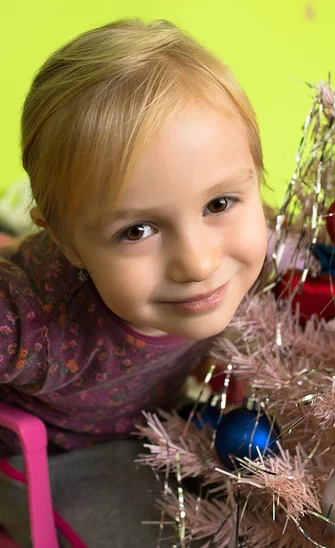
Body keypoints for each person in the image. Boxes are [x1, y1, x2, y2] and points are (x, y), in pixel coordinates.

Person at [0, 19, 268, 546]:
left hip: (159, 423)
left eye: (218, 203)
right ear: (67, 243)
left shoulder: (257, 251)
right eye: (137, 231)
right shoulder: (34, 320)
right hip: (50, 457)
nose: (197, 261)